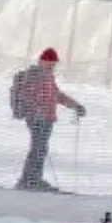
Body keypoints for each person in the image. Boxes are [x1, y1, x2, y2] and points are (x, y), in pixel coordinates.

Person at [11, 47, 85, 191]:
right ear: (41, 61)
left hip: (47, 119)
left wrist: (75, 105)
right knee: (38, 149)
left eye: (54, 64)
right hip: (37, 119)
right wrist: (36, 111)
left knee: (40, 149)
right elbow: (27, 96)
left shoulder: (49, 78)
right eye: (49, 63)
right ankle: (30, 181)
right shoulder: (34, 77)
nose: (52, 66)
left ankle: (30, 179)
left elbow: (58, 96)